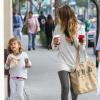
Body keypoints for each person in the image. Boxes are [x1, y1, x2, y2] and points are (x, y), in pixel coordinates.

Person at [52, 5, 86, 100]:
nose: (59, 18)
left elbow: (82, 48)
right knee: (65, 87)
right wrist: (54, 43)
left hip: (75, 62)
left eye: (60, 16)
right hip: (62, 61)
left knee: (74, 89)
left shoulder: (79, 28)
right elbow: (54, 47)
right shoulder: (58, 28)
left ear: (65, 16)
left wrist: (73, 39)